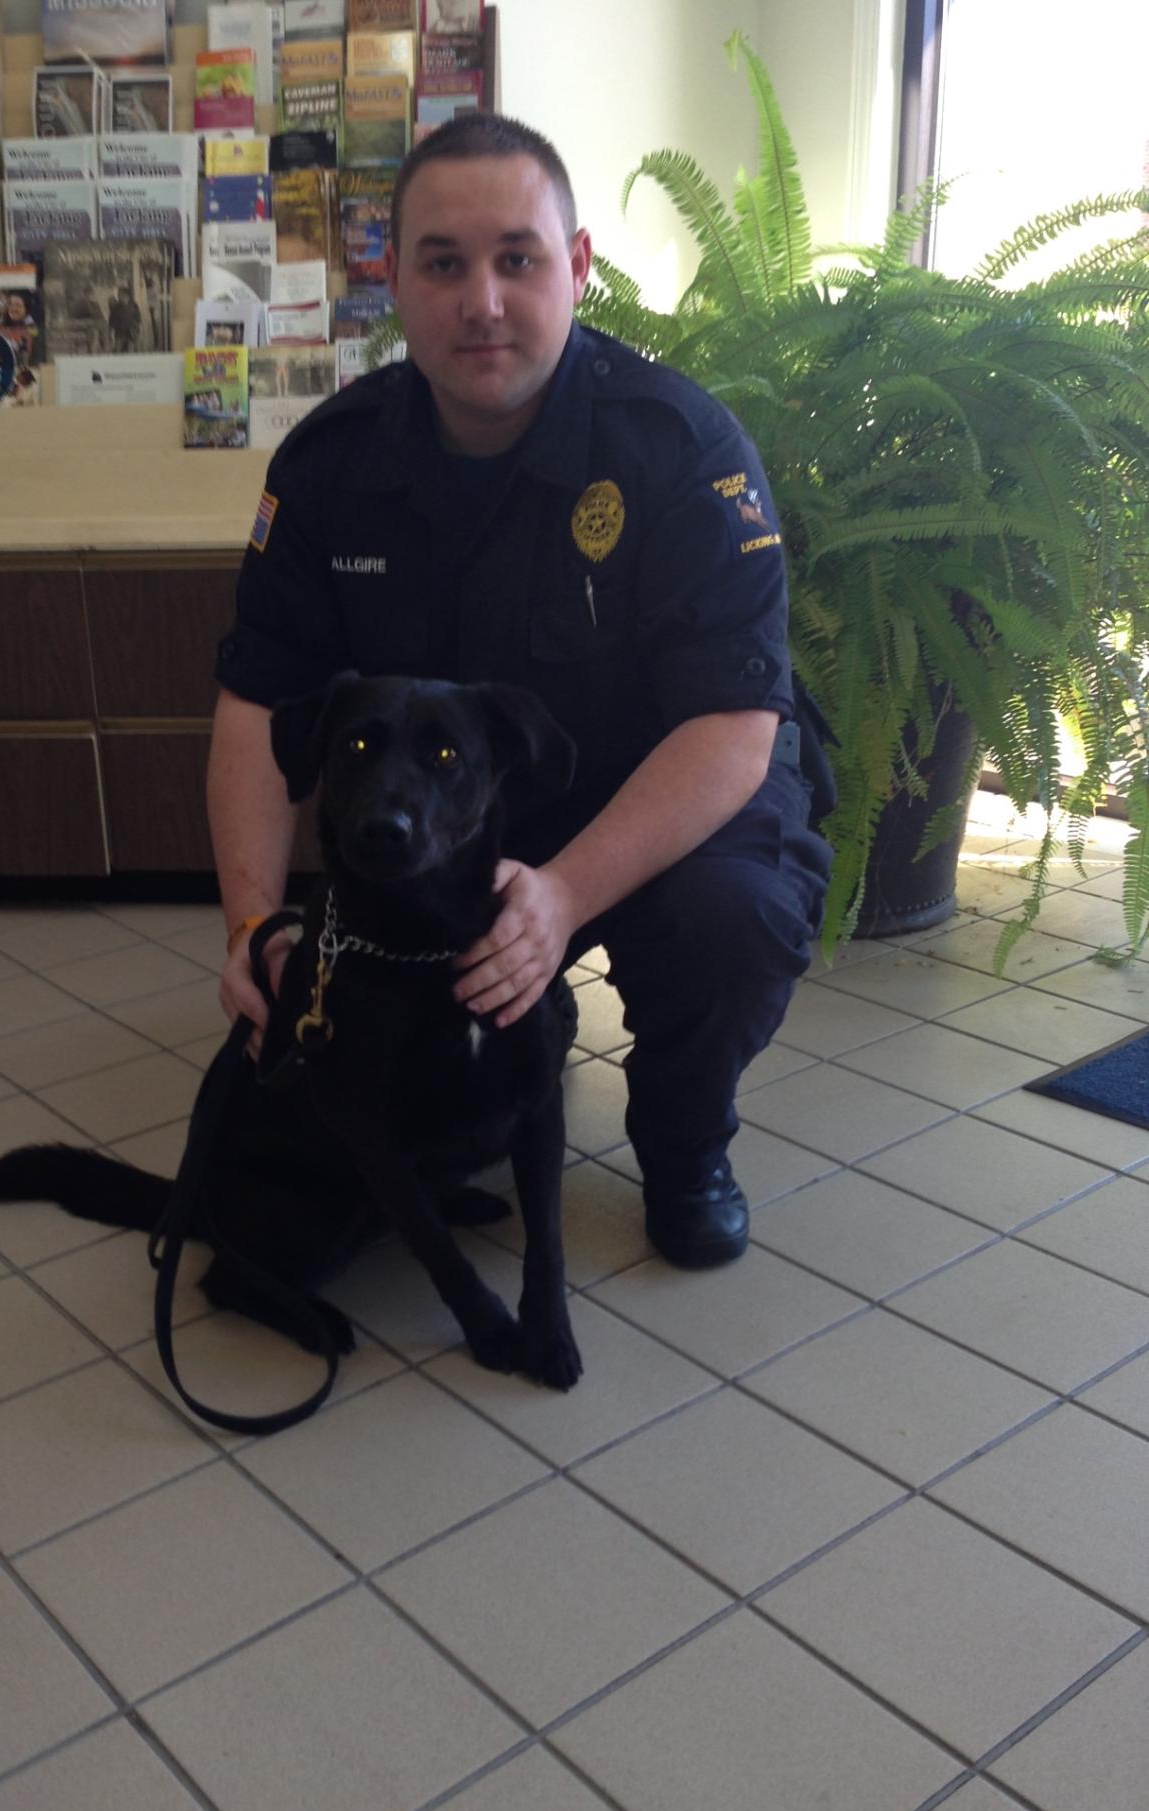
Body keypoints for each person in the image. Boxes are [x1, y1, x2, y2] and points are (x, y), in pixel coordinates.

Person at [207, 112, 834, 1270]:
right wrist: (257, 923)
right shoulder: (331, 466)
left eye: (518, 259)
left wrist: (557, 894)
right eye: (442, 263)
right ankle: (458, 1092)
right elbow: (258, 702)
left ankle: (687, 1140)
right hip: (449, 811)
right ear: (391, 277)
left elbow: (736, 728)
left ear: (579, 266)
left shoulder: (680, 450)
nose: (481, 301)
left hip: (656, 800)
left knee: (731, 921)